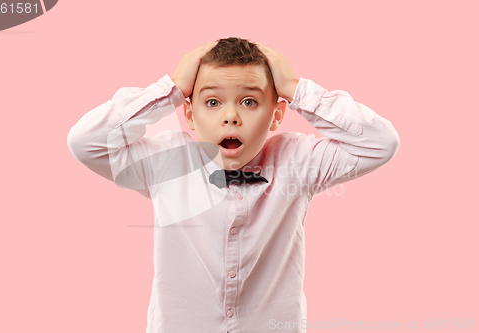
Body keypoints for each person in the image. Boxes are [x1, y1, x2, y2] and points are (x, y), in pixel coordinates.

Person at [67, 37, 400, 333]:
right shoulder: (167, 161)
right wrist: (169, 89)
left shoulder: (297, 161)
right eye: (212, 102)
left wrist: (298, 89)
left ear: (276, 115)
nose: (231, 117)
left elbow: (380, 143)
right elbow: (86, 142)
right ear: (190, 113)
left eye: (249, 102)